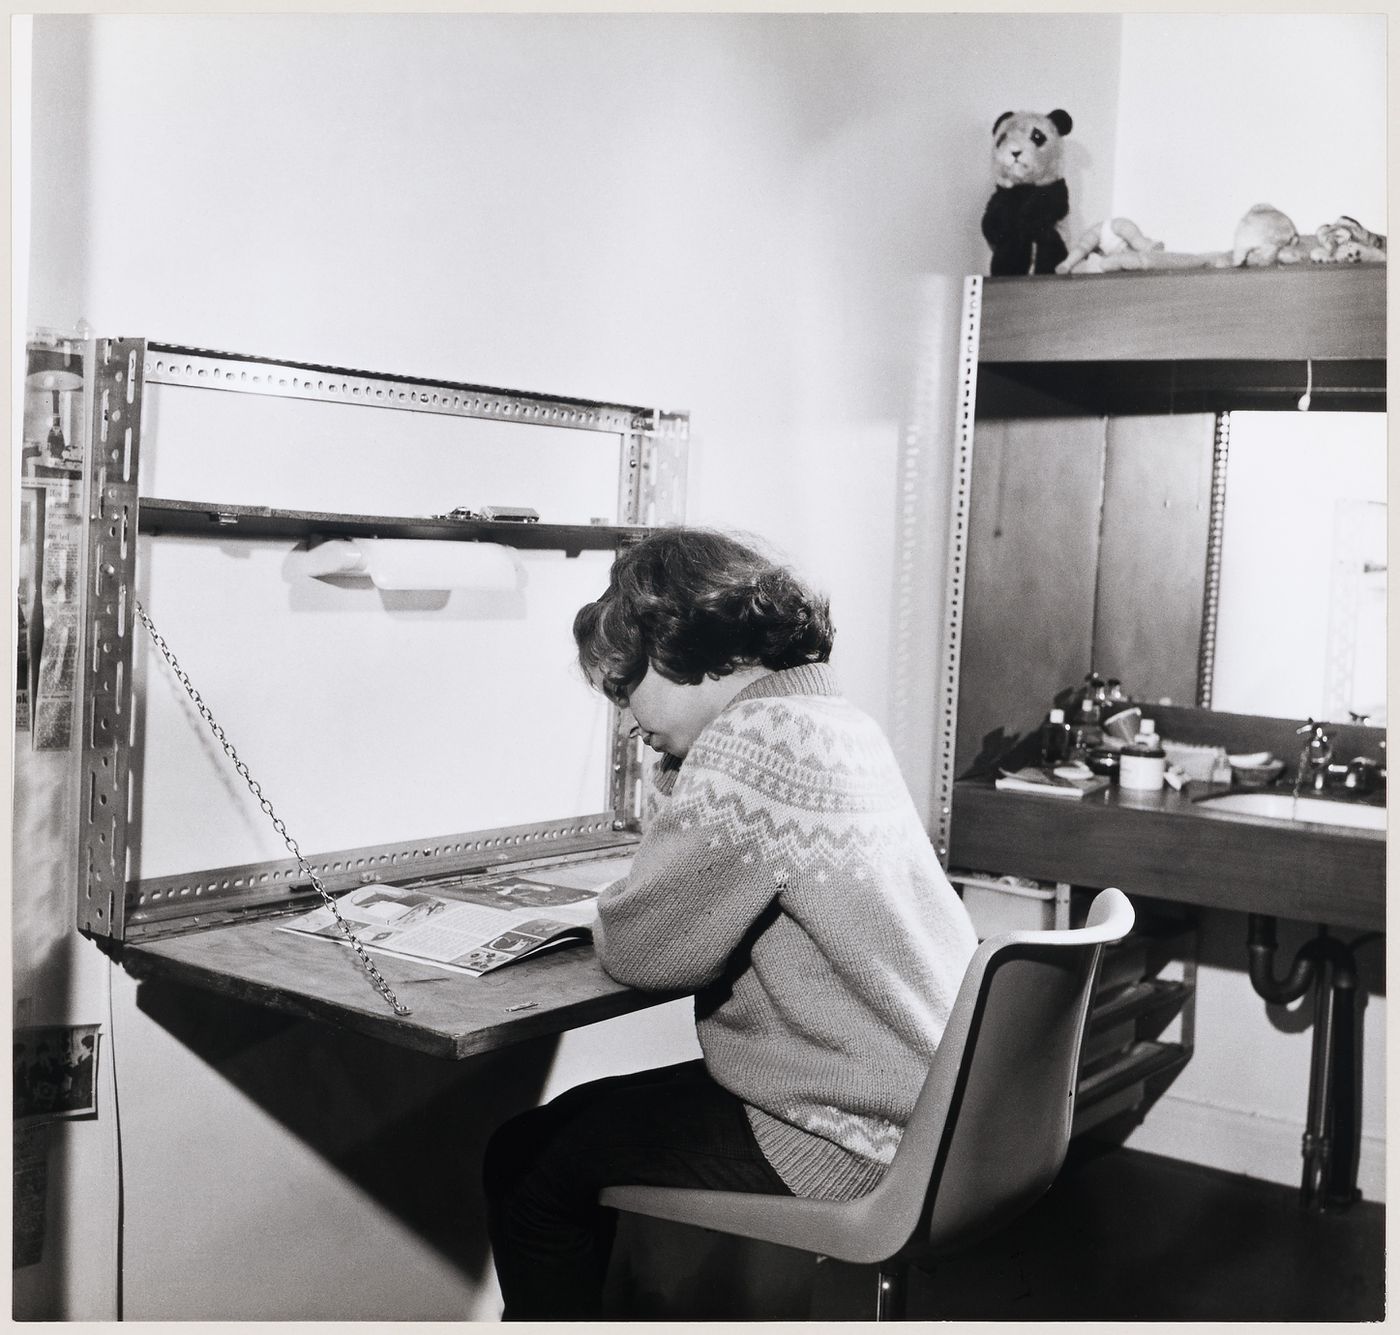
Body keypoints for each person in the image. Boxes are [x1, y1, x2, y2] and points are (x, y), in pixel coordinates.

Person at [482, 527, 978, 1319]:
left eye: (625, 682)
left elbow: (647, 948)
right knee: (567, 1127)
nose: (626, 714)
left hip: (846, 1130)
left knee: (527, 1162)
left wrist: (671, 798)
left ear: (681, 647)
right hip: (934, 1105)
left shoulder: (752, 741)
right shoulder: (834, 718)